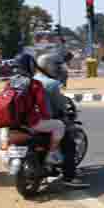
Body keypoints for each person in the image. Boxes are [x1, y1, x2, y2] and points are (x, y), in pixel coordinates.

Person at [35, 53, 89, 187]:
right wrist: (66, 111)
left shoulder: (32, 79)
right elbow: (60, 105)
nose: (57, 68)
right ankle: (69, 177)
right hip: (45, 121)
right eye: (55, 65)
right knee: (69, 143)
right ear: (48, 66)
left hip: (27, 120)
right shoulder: (52, 83)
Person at [7, 53, 66, 165]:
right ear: (31, 67)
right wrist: (47, 116)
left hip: (12, 123)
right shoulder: (35, 84)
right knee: (59, 125)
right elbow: (43, 106)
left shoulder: (10, 83)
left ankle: (7, 154)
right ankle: (52, 153)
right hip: (31, 122)